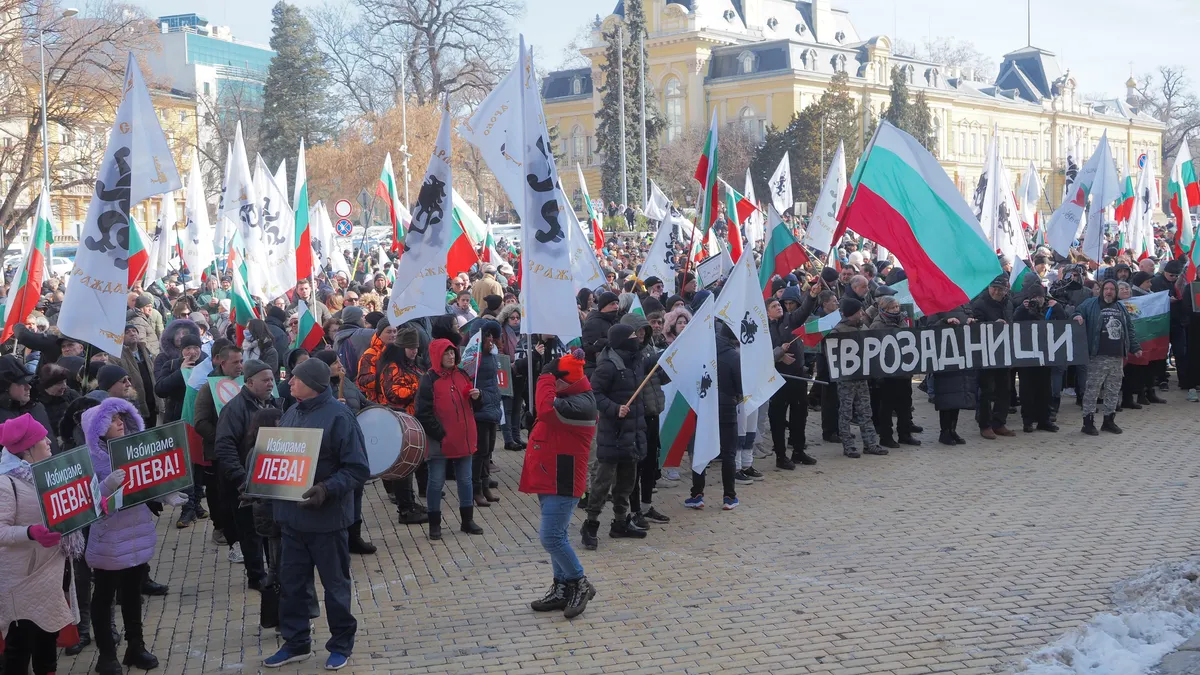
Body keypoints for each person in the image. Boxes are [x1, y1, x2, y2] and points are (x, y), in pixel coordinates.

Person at [264, 358, 369, 671]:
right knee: (293, 586)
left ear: (311, 383)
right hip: (291, 520)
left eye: (295, 378)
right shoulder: (292, 411)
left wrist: (326, 488)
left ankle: (341, 644)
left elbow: (357, 468)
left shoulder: (339, 417)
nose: (290, 382)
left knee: (335, 587)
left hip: (327, 521)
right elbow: (281, 460)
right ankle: (296, 643)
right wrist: (260, 484)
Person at [83, 397, 165, 674]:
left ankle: (136, 647)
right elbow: (86, 505)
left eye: (122, 418)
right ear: (98, 427)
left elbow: (149, 481)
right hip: (108, 539)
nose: (120, 422)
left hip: (137, 532)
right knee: (104, 596)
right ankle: (107, 655)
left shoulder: (134, 450)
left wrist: (167, 492)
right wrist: (106, 485)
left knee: (132, 593)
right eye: (113, 419)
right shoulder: (89, 458)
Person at [0, 413, 82, 675]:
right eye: (41, 438)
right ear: (26, 449)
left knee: (47, 644)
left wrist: (98, 499)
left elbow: (70, 505)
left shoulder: (49, 473)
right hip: (23, 580)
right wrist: (30, 532)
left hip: (53, 573)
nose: (48, 441)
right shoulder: (6, 483)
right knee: (19, 649)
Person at [214, 360, 280, 590]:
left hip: (271, 482)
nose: (271, 384)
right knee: (250, 534)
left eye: (272, 379)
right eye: (265, 380)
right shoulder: (234, 409)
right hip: (244, 486)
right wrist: (243, 479)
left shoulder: (275, 403)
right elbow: (224, 447)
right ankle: (256, 576)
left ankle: (275, 572)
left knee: (272, 529)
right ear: (249, 382)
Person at [580, 323, 647, 548]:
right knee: (603, 481)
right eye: (631, 336)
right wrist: (614, 408)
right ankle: (590, 523)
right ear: (620, 340)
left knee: (626, 481)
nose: (636, 338)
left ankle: (620, 522)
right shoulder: (607, 366)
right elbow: (593, 394)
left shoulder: (636, 362)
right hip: (613, 433)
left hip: (632, 432)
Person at [357, 321, 428, 526]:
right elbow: (392, 392)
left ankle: (409, 503)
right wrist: (418, 387)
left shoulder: (410, 364)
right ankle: (405, 509)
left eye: (416, 347)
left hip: (408, 418)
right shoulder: (386, 363)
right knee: (401, 465)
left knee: (407, 465)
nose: (414, 351)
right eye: (410, 347)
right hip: (394, 419)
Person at [415, 339, 484, 541]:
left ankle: (467, 520)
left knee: (465, 481)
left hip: (464, 438)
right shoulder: (428, 380)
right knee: (436, 482)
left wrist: (478, 397)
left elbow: (474, 406)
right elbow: (423, 412)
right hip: (441, 442)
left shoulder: (463, 374)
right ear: (437, 356)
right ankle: (435, 523)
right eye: (446, 353)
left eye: (453, 353)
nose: (451, 357)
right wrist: (441, 434)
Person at [686, 322, 744, 510]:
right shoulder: (734, 357)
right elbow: (741, 386)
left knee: (700, 449)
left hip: (703, 407)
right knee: (728, 453)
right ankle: (729, 497)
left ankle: (697, 495)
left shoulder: (701, 353)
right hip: (727, 407)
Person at [1074, 278, 1142, 435]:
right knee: (1092, 390)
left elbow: (1129, 329)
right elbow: (1078, 311)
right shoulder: (1091, 304)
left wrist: (1135, 347)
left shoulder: (1120, 307)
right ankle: (1088, 422)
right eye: (1106, 289)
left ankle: (1109, 420)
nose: (1109, 292)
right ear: (1102, 290)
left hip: (1117, 357)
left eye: (1112, 289)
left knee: (1113, 390)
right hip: (1097, 356)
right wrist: (1077, 317)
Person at [831, 298, 884, 457]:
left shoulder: (863, 328)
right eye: (859, 311)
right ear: (851, 313)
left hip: (861, 377)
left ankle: (870, 443)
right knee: (846, 413)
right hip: (846, 379)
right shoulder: (838, 331)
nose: (862, 313)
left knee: (865, 412)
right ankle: (848, 446)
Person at [868, 296, 921, 448]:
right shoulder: (877, 325)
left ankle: (905, 434)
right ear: (883, 309)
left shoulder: (902, 321)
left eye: (897, 307)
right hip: (887, 374)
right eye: (892, 308)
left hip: (903, 372)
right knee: (887, 407)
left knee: (905, 405)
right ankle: (886, 437)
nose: (896, 310)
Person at [1013, 284, 1064, 432]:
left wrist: (1058, 308)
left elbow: (1063, 324)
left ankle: (1044, 420)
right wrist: (1024, 309)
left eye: (1040, 297)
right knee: (1026, 391)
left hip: (1044, 356)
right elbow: (1014, 322)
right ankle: (1027, 421)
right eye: (1034, 297)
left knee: (1044, 390)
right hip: (1026, 357)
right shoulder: (1022, 309)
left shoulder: (1050, 309)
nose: (1037, 300)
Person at [971, 276, 1015, 439]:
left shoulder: (1009, 303)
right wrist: (993, 325)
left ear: (1006, 290)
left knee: (1005, 389)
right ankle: (985, 425)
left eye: (1000, 289)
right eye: (993, 288)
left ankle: (999, 422)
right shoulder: (979, 304)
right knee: (986, 391)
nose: (996, 291)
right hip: (985, 354)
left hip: (1003, 353)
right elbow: (975, 329)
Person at [471, 321, 504, 506]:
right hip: (480, 408)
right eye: (487, 336)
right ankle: (476, 490)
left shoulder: (490, 355)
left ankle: (484, 486)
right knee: (480, 452)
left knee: (487, 451)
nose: (491, 339)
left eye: (492, 335)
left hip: (491, 406)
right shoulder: (474, 357)